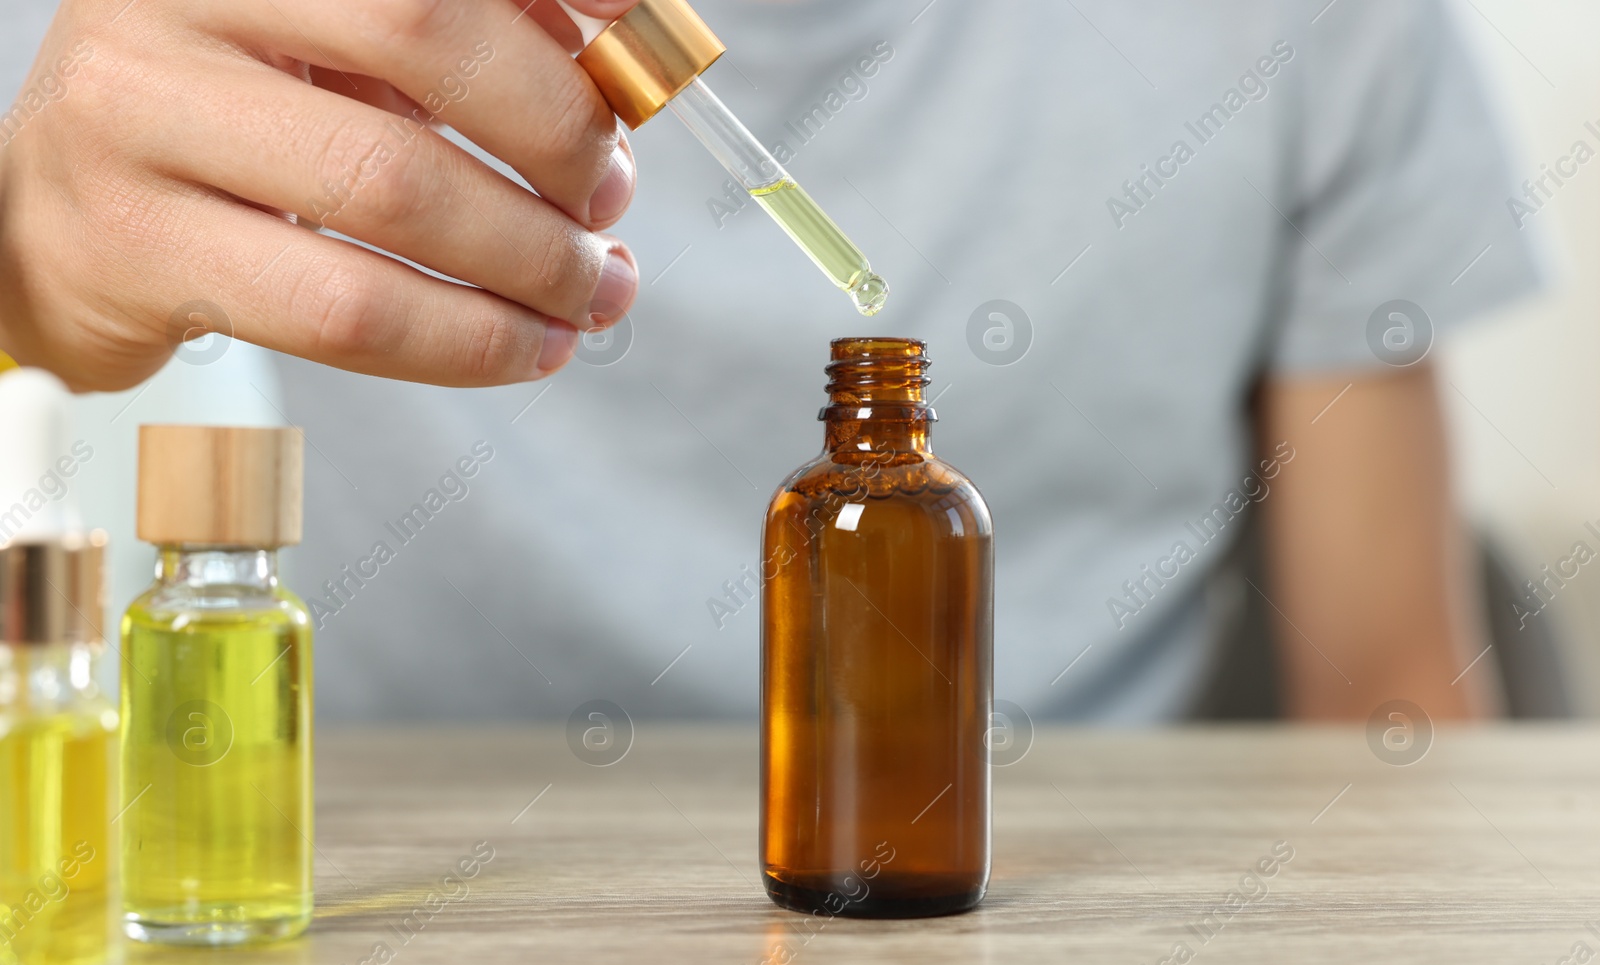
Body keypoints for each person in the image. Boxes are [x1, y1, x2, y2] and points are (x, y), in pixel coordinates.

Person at [0, 0, 1540, 725]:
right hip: (402, 922)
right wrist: (32, 280)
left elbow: (1392, 700)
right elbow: (55, 230)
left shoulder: (1321, 28)